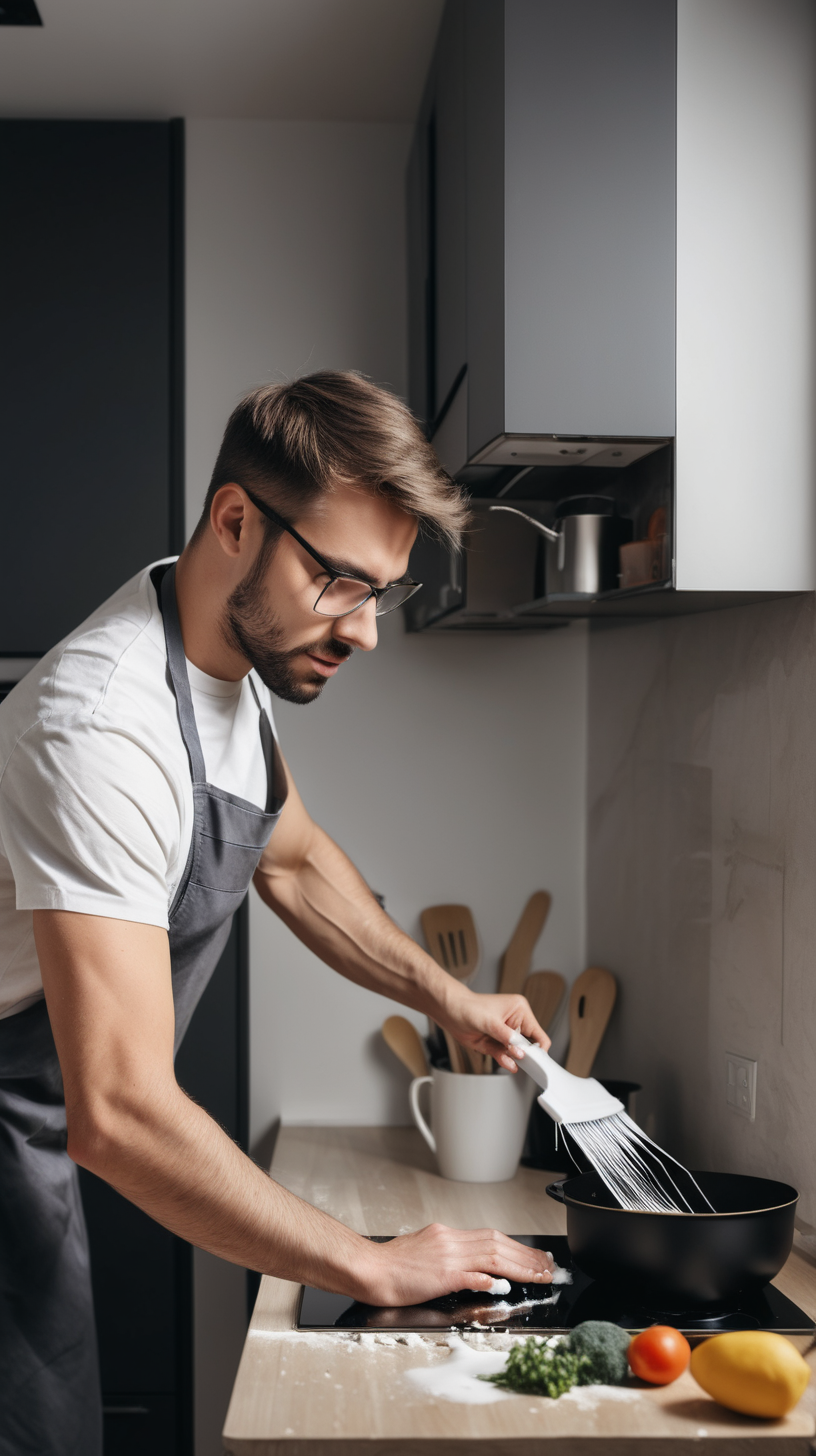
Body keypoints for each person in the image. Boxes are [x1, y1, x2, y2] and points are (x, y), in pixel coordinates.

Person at [0, 371, 552, 1455]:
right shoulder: (104, 732)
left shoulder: (218, 661)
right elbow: (121, 1110)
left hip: (39, 1136)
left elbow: (291, 861)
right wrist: (369, 1260)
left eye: (381, 591)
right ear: (237, 519)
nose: (368, 632)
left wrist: (453, 999)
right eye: (342, 580)